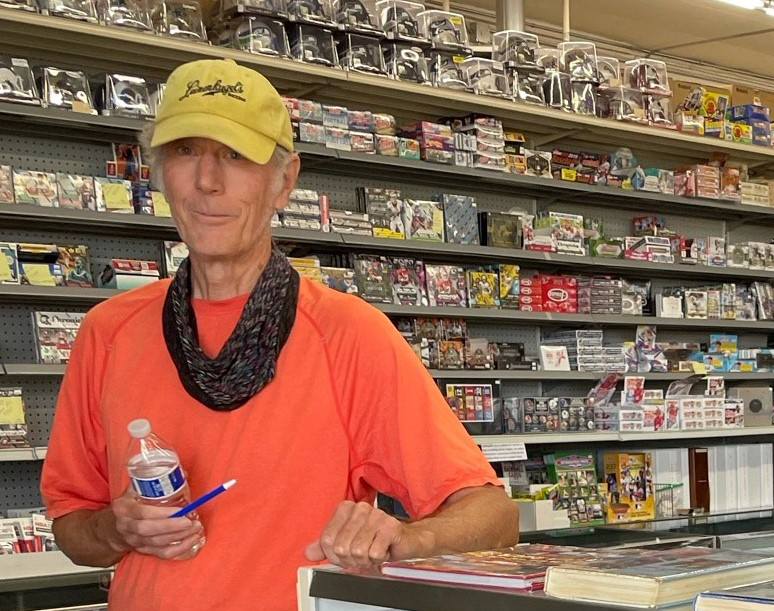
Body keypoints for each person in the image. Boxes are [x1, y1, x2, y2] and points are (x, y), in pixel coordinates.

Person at [40, 59, 519, 611]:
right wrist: (117, 529)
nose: (206, 181)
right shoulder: (109, 332)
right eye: (184, 151)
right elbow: (73, 528)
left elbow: (493, 514)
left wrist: (406, 538)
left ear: (284, 180)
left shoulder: (349, 335)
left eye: (235, 155)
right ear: (157, 172)